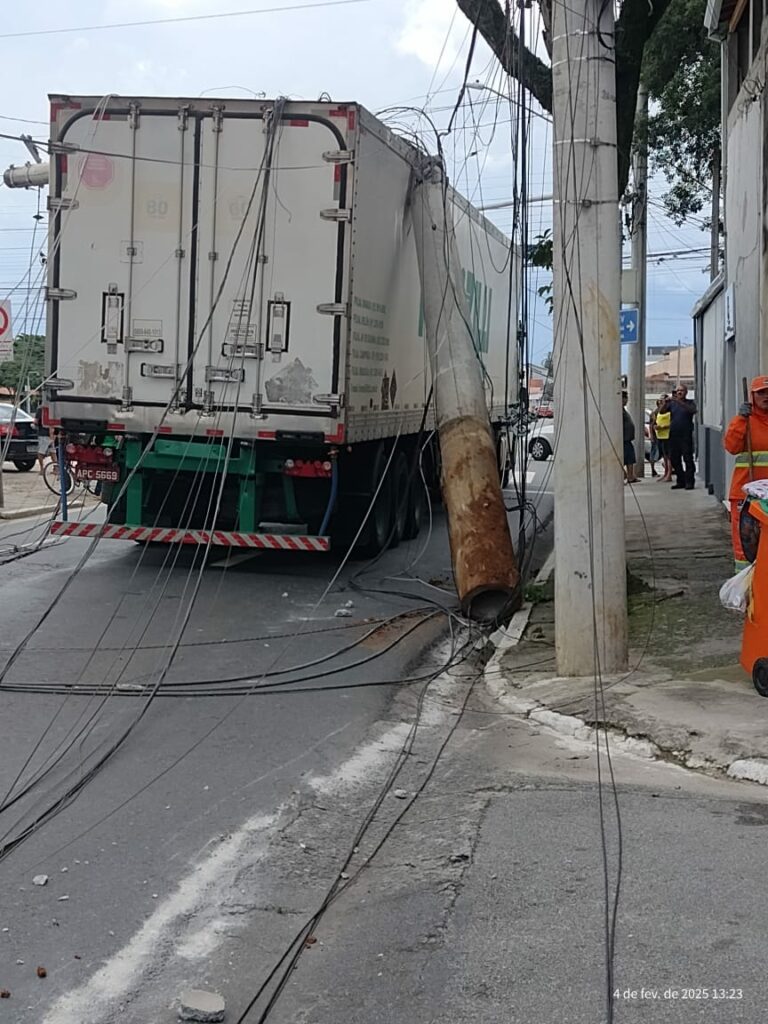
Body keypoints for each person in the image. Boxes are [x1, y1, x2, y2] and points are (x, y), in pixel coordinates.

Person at [723, 375, 768, 570]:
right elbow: (731, 447)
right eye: (761, 393)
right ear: (752, 396)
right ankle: (744, 590)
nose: (766, 396)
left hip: (767, 495)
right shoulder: (745, 421)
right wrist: (741, 419)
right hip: (746, 494)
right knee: (746, 545)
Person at [665, 385, 696, 490]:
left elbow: (692, 411)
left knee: (687, 459)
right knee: (674, 459)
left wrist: (678, 401)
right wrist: (665, 402)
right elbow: (661, 412)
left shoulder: (689, 403)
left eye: (681, 390)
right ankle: (680, 480)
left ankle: (689, 482)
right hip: (674, 435)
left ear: (686, 392)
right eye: (677, 390)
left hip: (685, 435)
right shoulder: (672, 404)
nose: (679, 392)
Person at [654, 395, 672, 482]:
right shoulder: (658, 412)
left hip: (667, 436)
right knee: (664, 456)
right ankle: (665, 473)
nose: (661, 403)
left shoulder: (670, 411)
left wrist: (663, 427)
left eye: (663, 401)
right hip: (660, 436)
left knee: (669, 456)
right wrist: (655, 427)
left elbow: (672, 423)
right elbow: (654, 422)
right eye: (660, 401)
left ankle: (669, 474)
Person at [622, 391, 638, 484]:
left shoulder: (623, 410)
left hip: (627, 439)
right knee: (626, 458)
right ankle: (627, 475)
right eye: (625, 398)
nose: (626, 400)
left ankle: (631, 476)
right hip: (624, 439)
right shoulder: (618, 410)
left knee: (630, 459)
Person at [34, 405, 53, 474]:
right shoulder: (53, 407)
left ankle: (42, 469)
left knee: (40, 452)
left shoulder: (40, 409)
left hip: (43, 433)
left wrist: (34, 425)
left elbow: (36, 421)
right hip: (52, 434)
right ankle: (56, 469)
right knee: (52, 451)